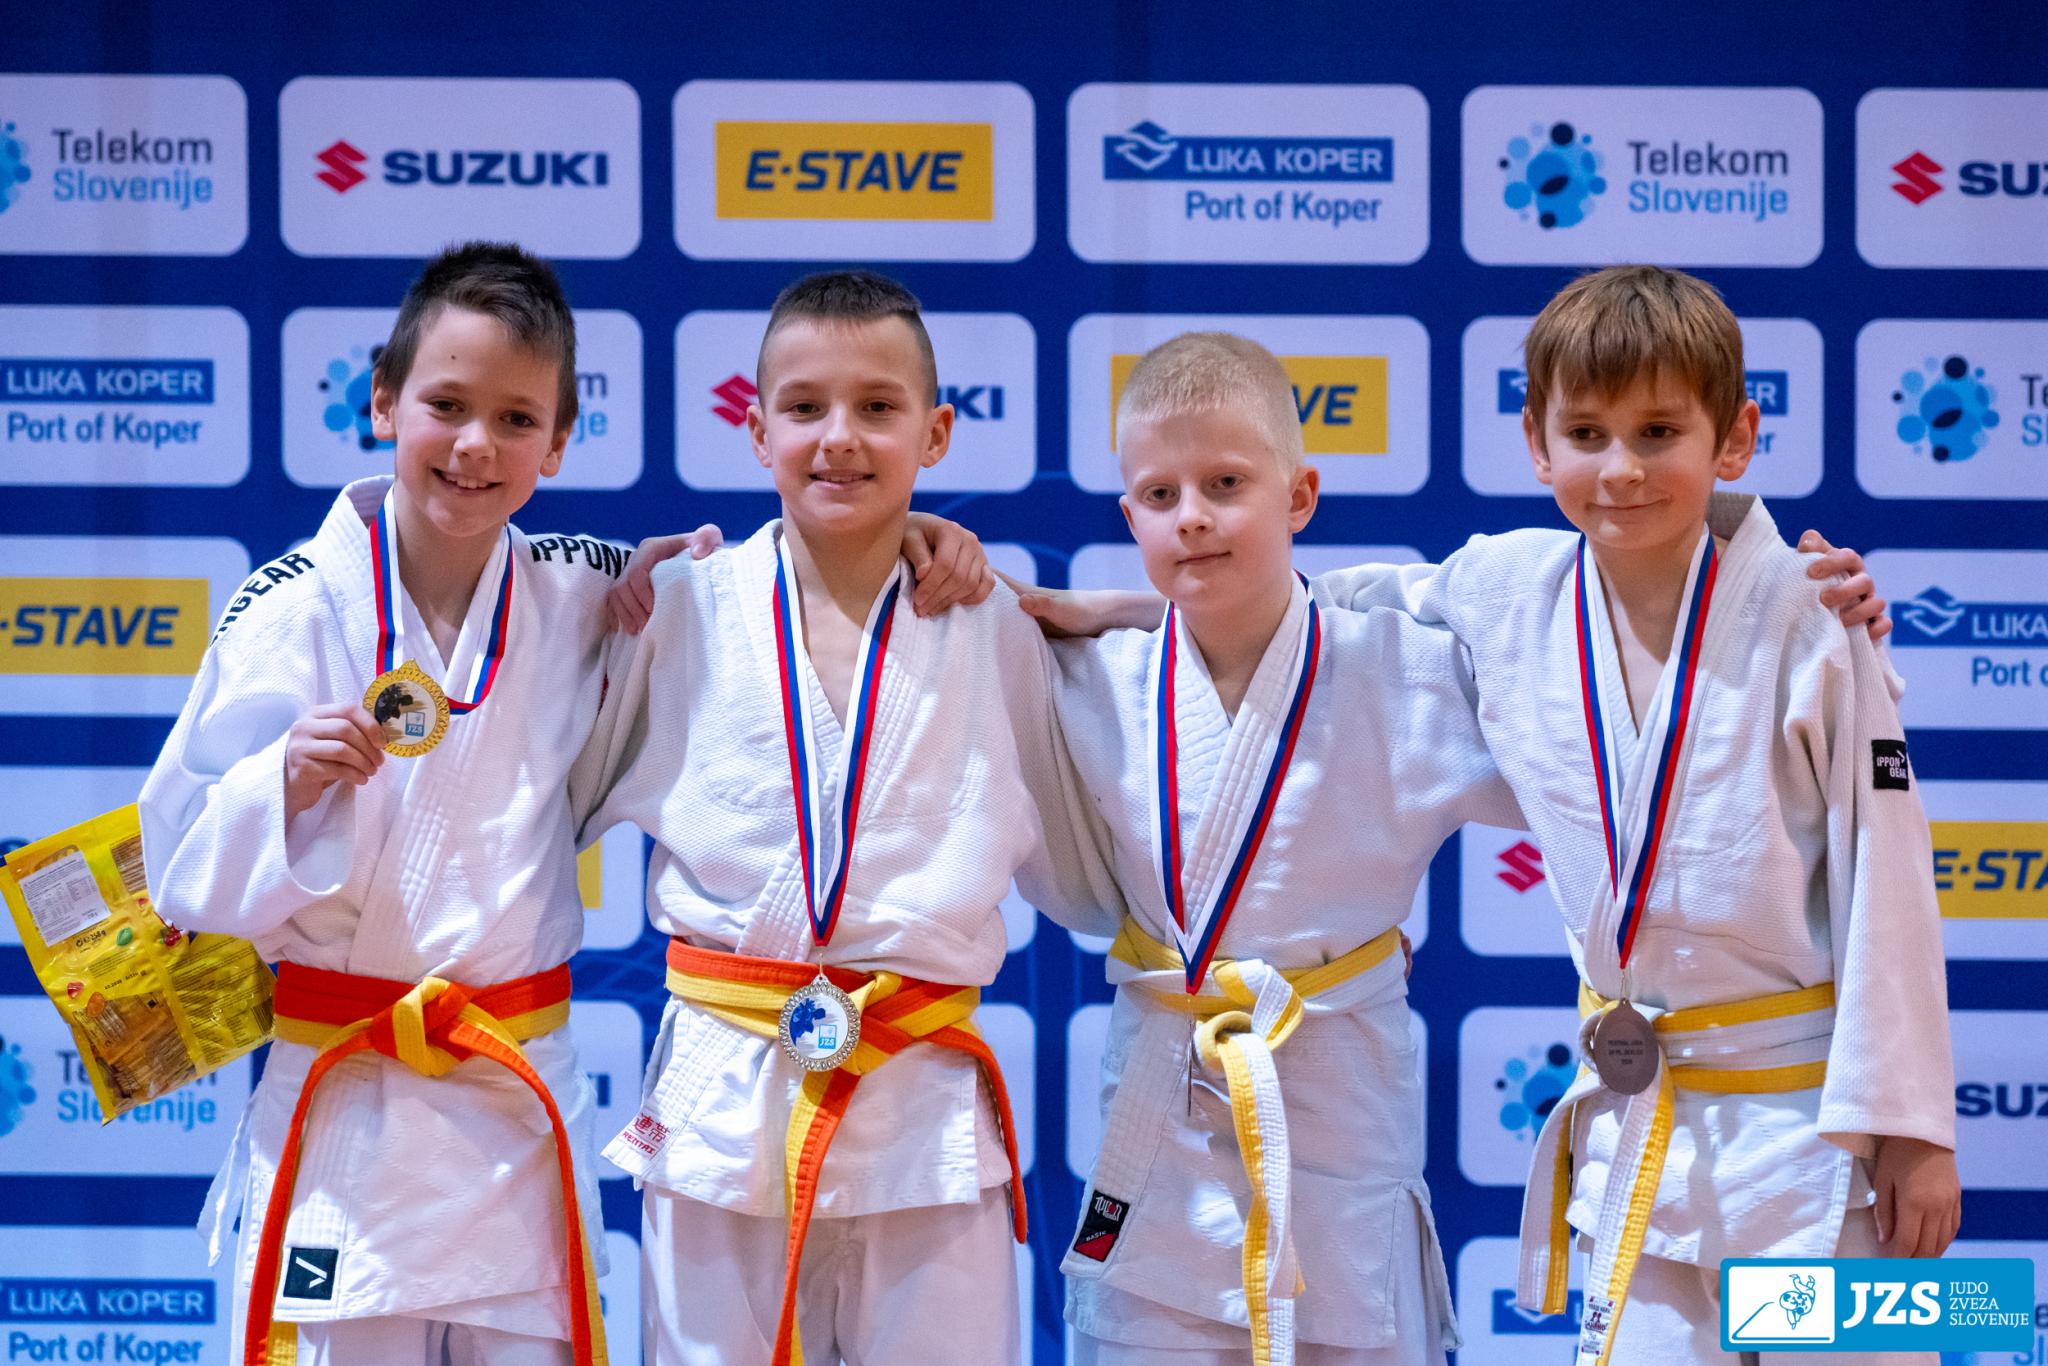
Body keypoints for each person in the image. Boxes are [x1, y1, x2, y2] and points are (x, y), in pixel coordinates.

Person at [138, 243, 986, 1366]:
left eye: (516, 419)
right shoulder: (286, 610)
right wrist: (277, 784)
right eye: (447, 406)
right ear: (383, 401)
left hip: (510, 1108)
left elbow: (760, 588)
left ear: (558, 441)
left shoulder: (581, 590)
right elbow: (178, 871)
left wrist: (927, 539)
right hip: (346, 1104)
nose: (476, 446)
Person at [1310, 265, 1958, 1366]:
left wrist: (1912, 1130)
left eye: (1658, 431)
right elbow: (1298, 618)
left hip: (1814, 1148)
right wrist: (1103, 612)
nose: (1619, 468)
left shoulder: (1809, 612)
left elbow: (1887, 877)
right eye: (1586, 433)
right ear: (1536, 442)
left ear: (1733, 438)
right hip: (1640, 1143)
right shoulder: (1503, 590)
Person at [569, 269, 1117, 1366]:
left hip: (922, 1114)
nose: (840, 438)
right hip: (721, 1109)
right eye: (805, 406)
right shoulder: (676, 608)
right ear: (755, 428)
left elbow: (1089, 871)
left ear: (935, 433)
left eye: (877, 407)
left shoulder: (994, 626)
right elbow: (534, 790)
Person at [1042, 332, 1522, 1366]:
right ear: (1128, 518)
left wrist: (1788, 613)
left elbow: (1586, 675)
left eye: (1225, 483)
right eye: (1160, 494)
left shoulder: (1403, 673)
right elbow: (924, 625)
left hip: (1338, 1117)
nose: (1192, 515)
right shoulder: (1092, 679)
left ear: (1300, 495)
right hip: (1161, 1127)